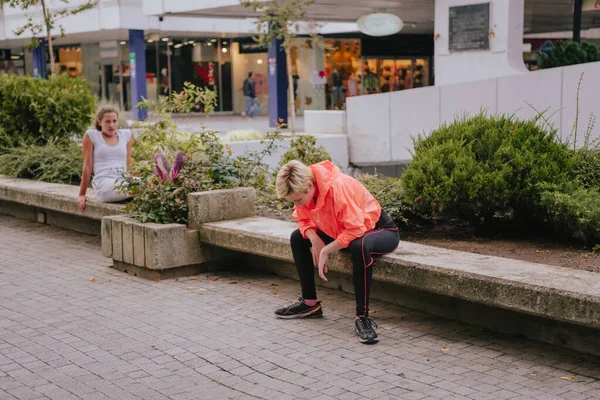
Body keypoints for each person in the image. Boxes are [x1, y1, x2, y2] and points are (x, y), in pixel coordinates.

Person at [274, 160, 400, 344]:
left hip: (379, 230)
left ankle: (362, 318)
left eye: (298, 200)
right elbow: (302, 218)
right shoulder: (305, 189)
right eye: (293, 201)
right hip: (344, 230)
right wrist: (314, 239)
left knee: (359, 245)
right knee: (297, 237)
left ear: (310, 186)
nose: (297, 204)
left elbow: (357, 229)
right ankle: (309, 304)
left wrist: (326, 250)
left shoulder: (336, 188)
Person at [78, 105, 133, 212]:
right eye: (107, 121)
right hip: (104, 184)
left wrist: (133, 179)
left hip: (124, 180)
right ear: (99, 122)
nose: (111, 125)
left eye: (114, 121)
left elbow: (128, 163)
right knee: (135, 188)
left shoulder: (126, 135)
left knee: (148, 184)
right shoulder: (91, 136)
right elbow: (88, 166)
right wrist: (81, 194)